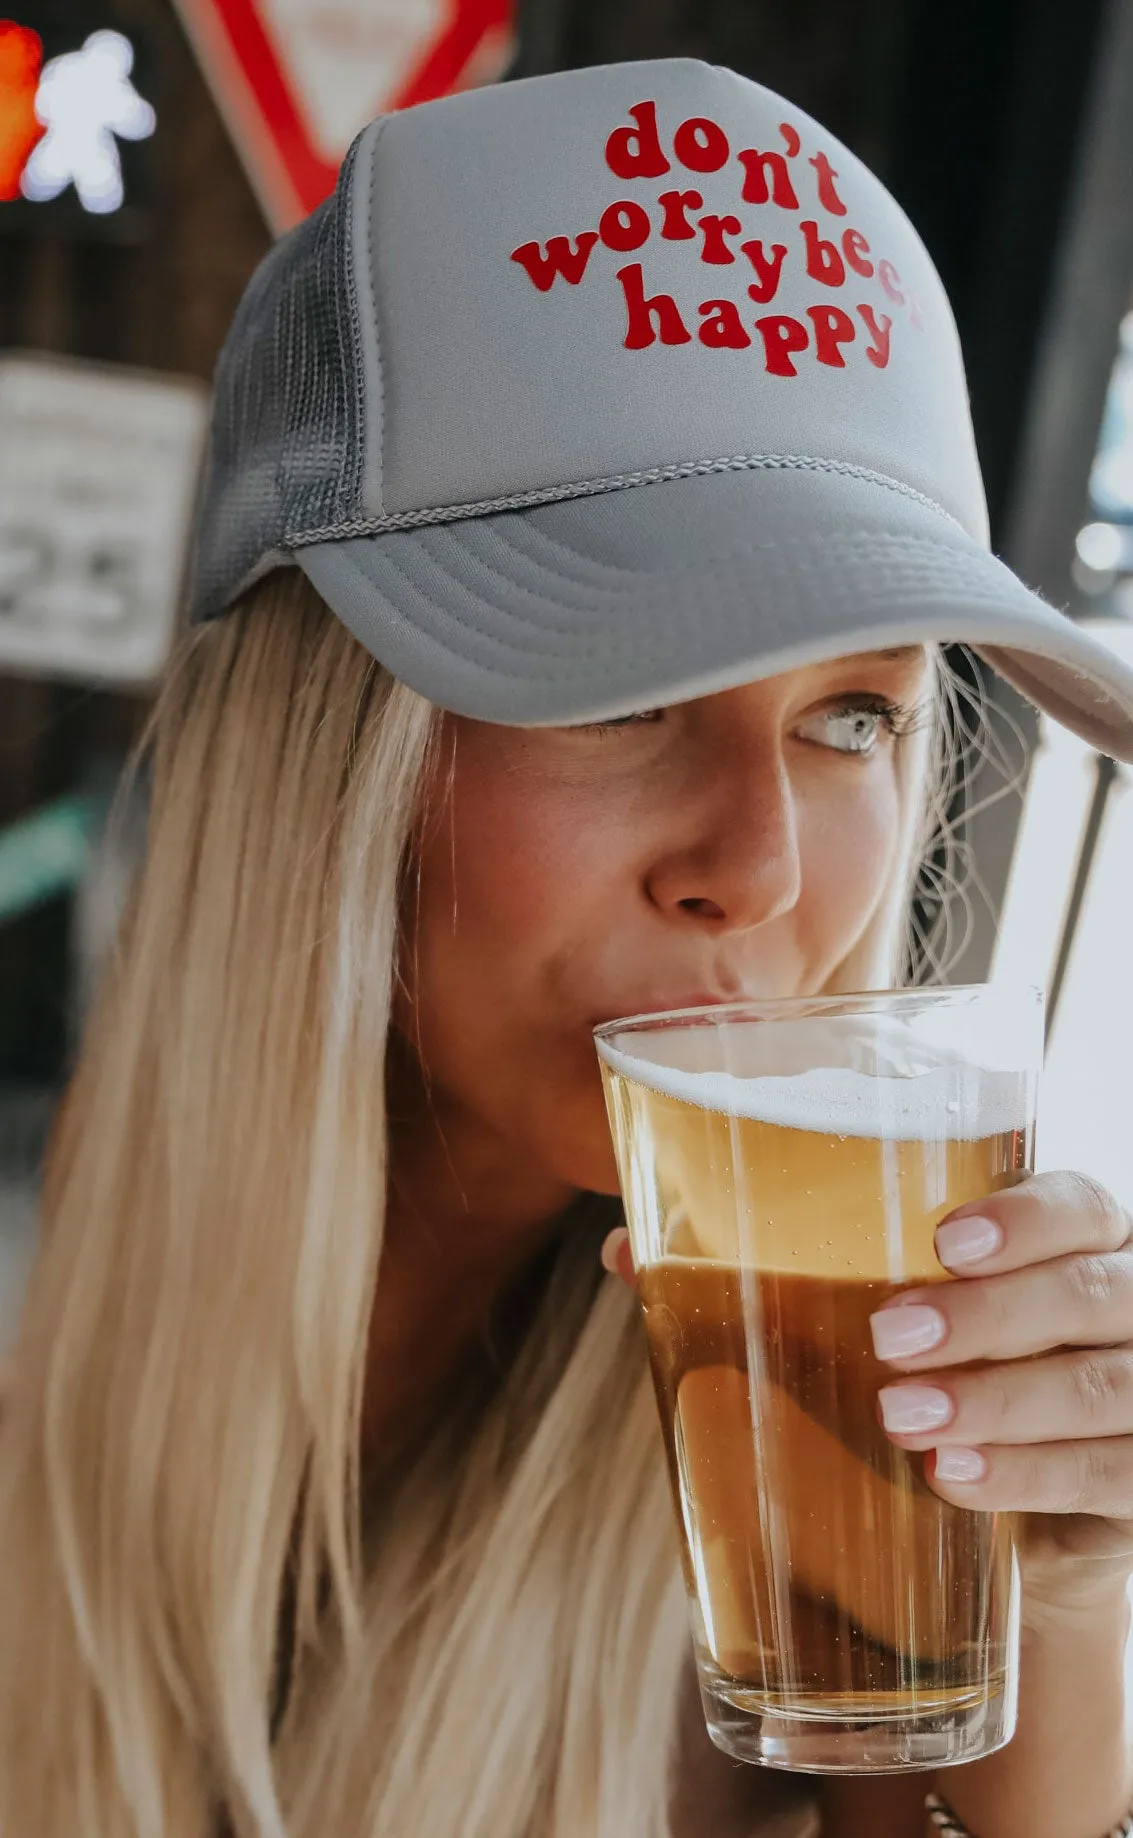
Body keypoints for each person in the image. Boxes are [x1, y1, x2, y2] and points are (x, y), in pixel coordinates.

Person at [2, 56, 1133, 1838]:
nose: (757, 867)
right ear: (319, 756)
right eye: (629, 691)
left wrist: (1054, 1606)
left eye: (853, 716)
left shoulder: (806, 1473)